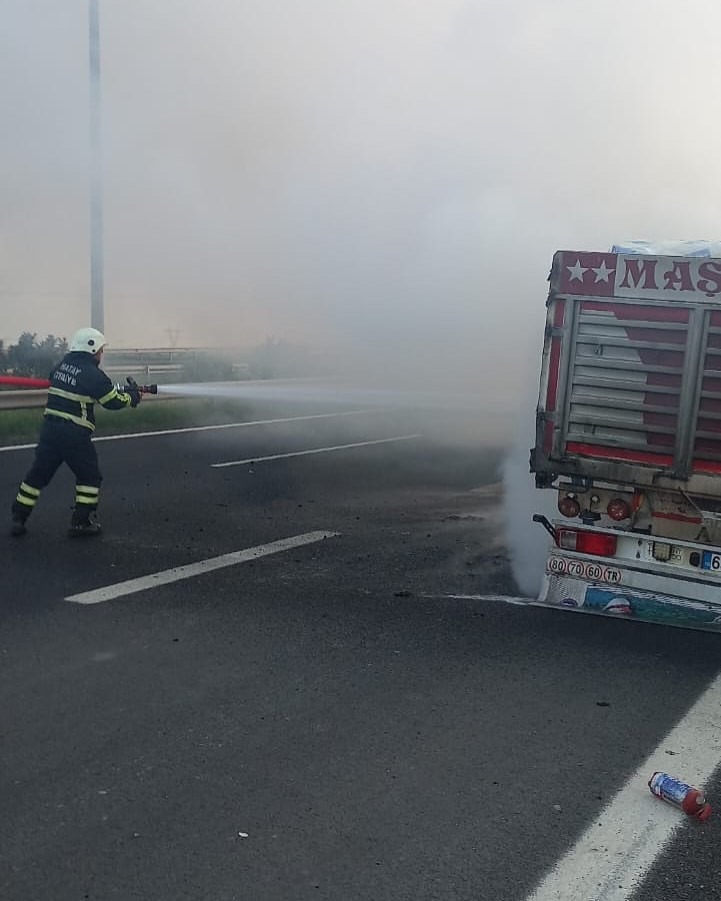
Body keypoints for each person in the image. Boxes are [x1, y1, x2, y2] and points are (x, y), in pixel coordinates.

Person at [9, 327, 141, 538]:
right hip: (73, 433)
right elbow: (112, 401)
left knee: (38, 474)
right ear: (92, 349)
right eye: (100, 350)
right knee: (90, 476)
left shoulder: (62, 365)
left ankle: (19, 517)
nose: (101, 354)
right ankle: (80, 523)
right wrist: (133, 397)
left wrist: (116, 389)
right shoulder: (94, 374)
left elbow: (76, 384)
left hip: (49, 430)